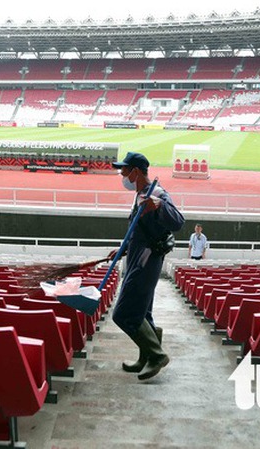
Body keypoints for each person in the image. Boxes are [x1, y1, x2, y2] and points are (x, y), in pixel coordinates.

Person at [111, 151, 185, 380]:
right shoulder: (140, 193)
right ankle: (145, 357)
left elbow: (179, 221)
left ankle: (156, 354)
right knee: (143, 313)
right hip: (136, 258)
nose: (121, 174)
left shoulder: (157, 193)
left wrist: (159, 205)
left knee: (123, 314)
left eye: (124, 169)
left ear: (135, 171)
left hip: (145, 263)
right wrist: (122, 249)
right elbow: (138, 230)